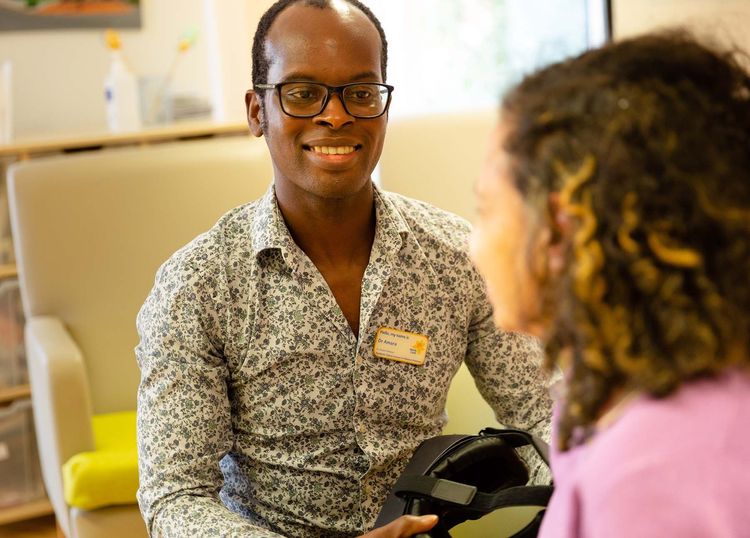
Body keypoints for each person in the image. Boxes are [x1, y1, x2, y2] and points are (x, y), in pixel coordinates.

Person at [135, 1, 552, 536]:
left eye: (360, 92)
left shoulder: (456, 258)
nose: (335, 116)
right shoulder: (197, 286)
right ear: (257, 111)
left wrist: (595, 490)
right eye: (303, 93)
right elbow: (175, 496)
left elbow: (543, 412)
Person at [469, 30, 750, 537]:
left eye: (485, 209)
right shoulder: (605, 395)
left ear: (560, 229)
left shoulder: (653, 475)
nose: (473, 246)